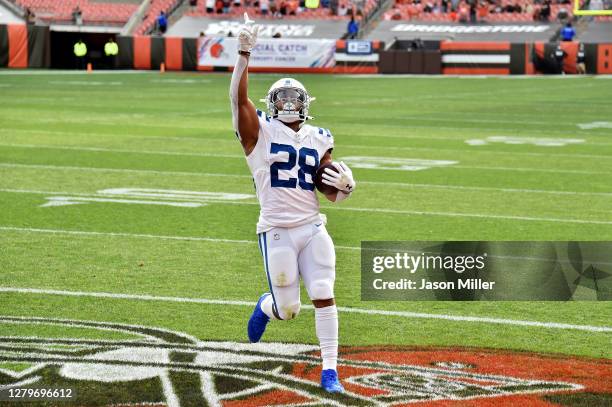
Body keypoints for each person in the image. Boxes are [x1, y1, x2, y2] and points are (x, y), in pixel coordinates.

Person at [229, 13, 356, 395]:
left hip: (312, 226)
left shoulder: (320, 137)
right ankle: (267, 306)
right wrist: (243, 54)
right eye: (280, 98)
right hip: (277, 229)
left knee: (323, 289)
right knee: (289, 309)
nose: (286, 104)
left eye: (293, 98)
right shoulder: (259, 132)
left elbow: (328, 191)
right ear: (271, 104)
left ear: (304, 104)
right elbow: (237, 99)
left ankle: (330, 370)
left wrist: (346, 188)